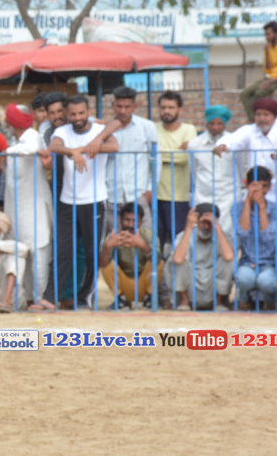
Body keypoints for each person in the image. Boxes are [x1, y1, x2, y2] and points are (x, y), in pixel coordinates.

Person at [49, 94, 119, 308]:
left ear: (89, 112)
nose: (77, 117)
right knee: (62, 252)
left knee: (91, 252)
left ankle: (84, 297)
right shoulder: (62, 131)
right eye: (73, 114)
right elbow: (54, 146)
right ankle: (50, 298)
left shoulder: (99, 130)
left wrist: (91, 144)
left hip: (94, 201)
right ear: (67, 114)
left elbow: (114, 143)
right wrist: (72, 151)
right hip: (67, 201)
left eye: (81, 113)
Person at [214, 96, 277, 239]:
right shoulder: (249, 131)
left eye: (266, 114)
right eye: (258, 114)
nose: (262, 118)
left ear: (274, 116)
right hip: (256, 192)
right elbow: (232, 140)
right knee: (255, 235)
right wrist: (222, 145)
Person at [0, 103, 54, 310]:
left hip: (35, 209)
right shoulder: (16, 141)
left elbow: (32, 149)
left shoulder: (31, 137)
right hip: (17, 210)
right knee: (21, 254)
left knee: (39, 256)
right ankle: (28, 298)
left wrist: (6, 152)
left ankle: (41, 299)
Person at [84, 86, 158, 231]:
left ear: (135, 107)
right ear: (113, 105)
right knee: (114, 239)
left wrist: (150, 190)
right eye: (119, 106)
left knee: (145, 238)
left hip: (138, 194)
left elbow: (155, 161)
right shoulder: (102, 128)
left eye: (127, 107)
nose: (122, 111)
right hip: (111, 195)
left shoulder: (147, 127)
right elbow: (83, 119)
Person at [234, 165, 277, 310]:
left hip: (269, 263)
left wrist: (261, 207)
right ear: (247, 185)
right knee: (243, 278)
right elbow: (243, 232)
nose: (260, 190)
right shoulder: (237, 208)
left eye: (264, 186)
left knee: (266, 281)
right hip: (247, 262)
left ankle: (270, 303)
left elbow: (267, 236)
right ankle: (244, 301)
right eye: (255, 186)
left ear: (270, 187)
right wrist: (247, 202)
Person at [168, 203, 234, 311]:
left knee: (228, 261)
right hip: (191, 284)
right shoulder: (186, 235)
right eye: (203, 222)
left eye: (209, 223)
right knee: (176, 260)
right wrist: (189, 227)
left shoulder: (222, 236)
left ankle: (219, 301)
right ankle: (184, 300)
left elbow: (229, 257)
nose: (206, 227)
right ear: (197, 221)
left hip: (212, 284)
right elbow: (178, 259)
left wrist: (217, 226)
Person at [153, 91, 196, 252]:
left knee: (178, 240)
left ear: (180, 110)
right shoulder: (153, 128)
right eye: (163, 107)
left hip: (179, 196)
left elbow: (184, 158)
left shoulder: (189, 129)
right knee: (156, 242)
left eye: (171, 107)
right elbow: (150, 156)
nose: (167, 111)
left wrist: (158, 154)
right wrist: (176, 151)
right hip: (155, 195)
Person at [187, 105, 237, 241]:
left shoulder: (234, 142)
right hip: (203, 196)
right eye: (212, 123)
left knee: (227, 234)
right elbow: (193, 171)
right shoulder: (195, 144)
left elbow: (238, 170)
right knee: (203, 232)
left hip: (228, 197)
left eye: (219, 123)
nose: (215, 127)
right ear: (206, 123)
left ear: (225, 124)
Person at [98, 202, 155, 309]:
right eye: (127, 220)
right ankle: (121, 300)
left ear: (141, 222)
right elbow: (102, 264)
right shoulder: (114, 236)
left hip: (144, 284)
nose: (130, 225)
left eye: (135, 221)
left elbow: (158, 261)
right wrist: (108, 246)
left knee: (157, 262)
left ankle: (149, 298)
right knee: (106, 264)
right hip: (123, 285)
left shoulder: (148, 235)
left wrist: (142, 245)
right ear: (120, 220)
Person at [239, 20, 277, 120]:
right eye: (265, 35)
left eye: (269, 34)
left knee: (259, 93)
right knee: (244, 94)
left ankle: (255, 118)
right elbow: (267, 69)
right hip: (269, 77)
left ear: (276, 34)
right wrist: (267, 53)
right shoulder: (268, 47)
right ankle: (252, 119)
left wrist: (270, 82)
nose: (267, 37)